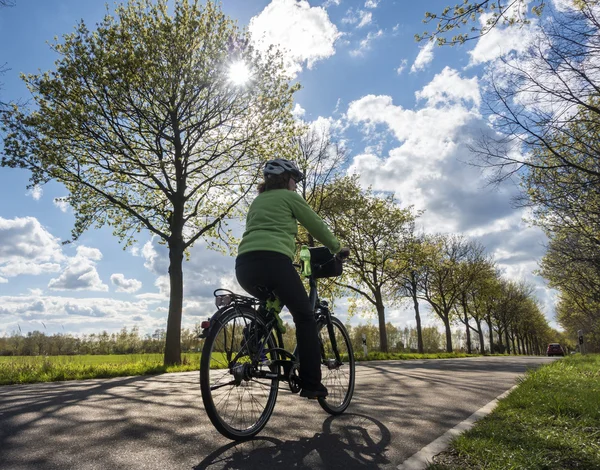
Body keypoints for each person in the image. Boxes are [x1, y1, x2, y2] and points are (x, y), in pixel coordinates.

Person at [236, 158, 349, 399]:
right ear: (286, 179)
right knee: (305, 318)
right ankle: (311, 384)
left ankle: (254, 339)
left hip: (244, 265)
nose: (296, 186)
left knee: (272, 302)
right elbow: (315, 224)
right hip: (275, 262)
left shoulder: (257, 201)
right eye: (295, 180)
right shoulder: (290, 198)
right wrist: (337, 248)